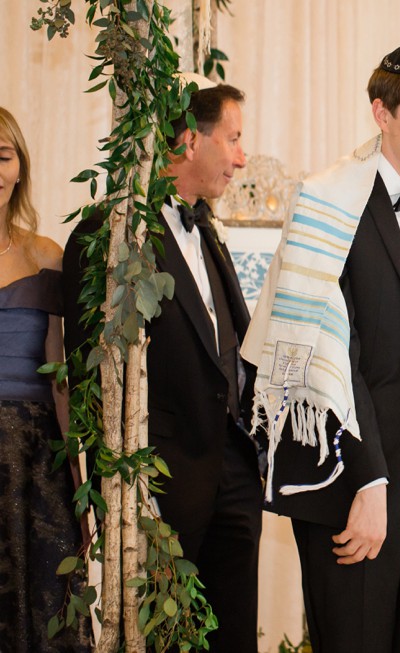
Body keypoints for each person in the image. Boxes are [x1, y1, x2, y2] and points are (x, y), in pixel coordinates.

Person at [242, 44, 400, 652]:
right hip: (352, 476)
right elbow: (326, 354)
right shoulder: (327, 204)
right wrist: (368, 483)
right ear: (381, 113)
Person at [61, 78, 263, 652]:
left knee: (233, 637)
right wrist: (127, 484)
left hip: (234, 476)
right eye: (234, 138)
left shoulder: (210, 233)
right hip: (160, 486)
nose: (243, 157)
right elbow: (88, 375)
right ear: (189, 141)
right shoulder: (110, 232)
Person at [0, 107, 89, 651]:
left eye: (2, 156)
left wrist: (79, 484)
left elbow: (62, 380)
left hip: (37, 462)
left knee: (48, 605)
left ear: (19, 167)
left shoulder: (47, 254)